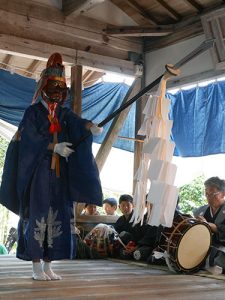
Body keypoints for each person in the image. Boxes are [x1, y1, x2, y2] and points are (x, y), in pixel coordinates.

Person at [0, 53, 103, 281]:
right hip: (38, 172)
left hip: (59, 175)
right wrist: (52, 147)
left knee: (58, 214)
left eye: (60, 89)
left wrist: (89, 126)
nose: (57, 93)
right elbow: (27, 140)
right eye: (53, 88)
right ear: (45, 88)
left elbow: (77, 124)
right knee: (38, 213)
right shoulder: (33, 112)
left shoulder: (64, 113)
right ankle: (36, 265)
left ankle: (49, 264)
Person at [193, 176, 225, 274]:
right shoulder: (201, 211)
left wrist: (210, 226)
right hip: (204, 246)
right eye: (206, 193)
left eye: (212, 194)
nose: (208, 197)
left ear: (223, 194)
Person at [114, 194, 157, 259]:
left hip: (141, 245)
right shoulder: (120, 220)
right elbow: (116, 235)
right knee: (121, 246)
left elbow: (145, 238)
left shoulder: (139, 219)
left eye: (128, 205)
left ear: (133, 205)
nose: (126, 207)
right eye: (123, 205)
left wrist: (135, 247)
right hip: (128, 245)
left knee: (139, 252)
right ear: (119, 207)